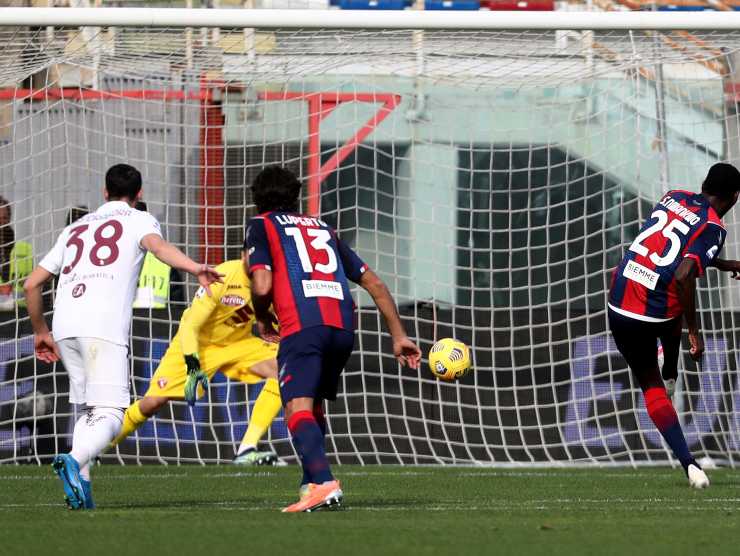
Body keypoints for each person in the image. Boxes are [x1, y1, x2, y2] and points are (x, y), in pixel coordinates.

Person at [23, 163, 222, 510]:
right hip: (102, 325)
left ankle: (81, 491)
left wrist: (41, 331)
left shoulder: (74, 228)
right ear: (138, 195)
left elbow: (31, 284)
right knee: (113, 414)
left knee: (87, 410)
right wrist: (194, 267)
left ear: (104, 192)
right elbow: (158, 248)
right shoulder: (138, 220)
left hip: (64, 323)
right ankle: (73, 459)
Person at [244, 165, 422, 512]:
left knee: (296, 407)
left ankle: (324, 482)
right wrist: (398, 336)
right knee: (313, 406)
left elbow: (262, 285)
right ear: (295, 197)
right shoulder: (323, 227)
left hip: (302, 325)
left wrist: (264, 318)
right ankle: (311, 484)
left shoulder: (261, 225)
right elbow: (375, 284)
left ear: (257, 199)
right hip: (342, 326)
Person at [608, 162, 740, 489]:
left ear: (704, 183)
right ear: (735, 197)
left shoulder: (673, 197)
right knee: (675, 302)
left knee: (648, 382)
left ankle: (689, 463)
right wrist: (695, 332)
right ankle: (669, 377)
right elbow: (683, 273)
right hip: (652, 313)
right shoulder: (713, 227)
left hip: (618, 299)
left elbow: (666, 251)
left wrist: (724, 264)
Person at [110, 249, 282, 466]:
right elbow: (191, 325)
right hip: (197, 343)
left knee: (284, 367)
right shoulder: (223, 276)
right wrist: (193, 365)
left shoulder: (272, 283)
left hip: (238, 344)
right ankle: (98, 447)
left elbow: (281, 321)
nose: (257, 261)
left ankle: (247, 450)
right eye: (252, 255)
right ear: (243, 255)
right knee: (152, 402)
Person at [0, 195, 33, 310]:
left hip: (20, 315)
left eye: (4, 218)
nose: (1, 223)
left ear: (9, 219)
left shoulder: (24, 249)